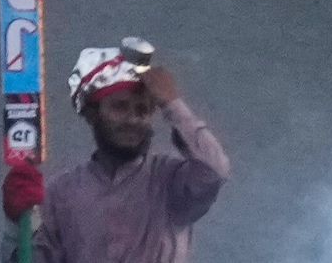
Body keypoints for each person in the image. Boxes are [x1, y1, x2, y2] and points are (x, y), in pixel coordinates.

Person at [35, 42, 229, 263]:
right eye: (120, 107)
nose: (133, 119)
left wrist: (172, 104)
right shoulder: (61, 193)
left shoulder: (170, 181)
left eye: (143, 110)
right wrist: (16, 224)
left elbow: (215, 170)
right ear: (91, 113)